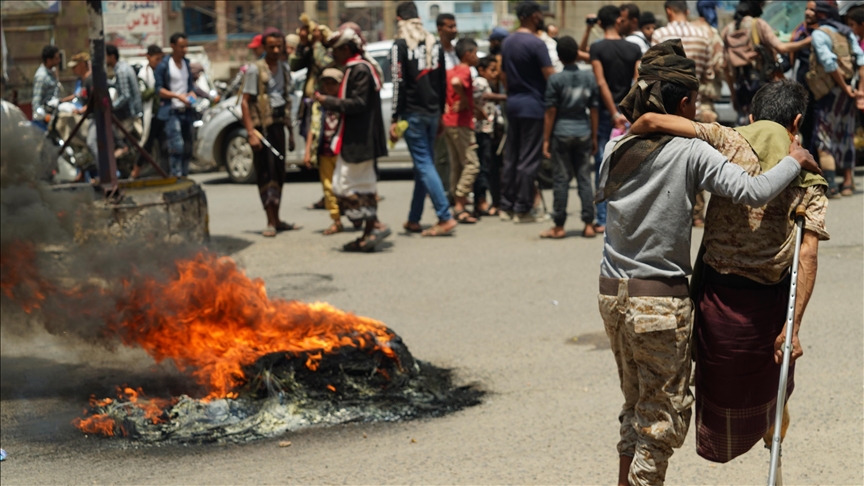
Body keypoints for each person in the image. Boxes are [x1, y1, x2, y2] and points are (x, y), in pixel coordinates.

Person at [596, 40, 820, 486]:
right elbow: (755, 192)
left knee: (634, 405)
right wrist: (794, 161)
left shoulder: (614, 150)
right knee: (661, 419)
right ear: (683, 103)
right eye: (694, 103)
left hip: (611, 294)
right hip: (658, 302)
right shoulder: (691, 152)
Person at [315, 23, 389, 252]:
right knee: (360, 185)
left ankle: (374, 224)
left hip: (360, 140)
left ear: (346, 49)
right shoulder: (355, 69)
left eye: (336, 51)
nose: (334, 56)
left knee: (347, 185)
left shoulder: (359, 70)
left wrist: (328, 101)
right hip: (357, 139)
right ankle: (368, 231)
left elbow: (359, 104)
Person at [652, 0, 721, 227]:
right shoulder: (704, 36)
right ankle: (698, 214)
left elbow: (652, 75)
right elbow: (711, 73)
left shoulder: (660, 34)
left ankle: (674, 211)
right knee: (697, 159)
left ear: (669, 11)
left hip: (668, 111)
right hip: (696, 107)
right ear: (687, 11)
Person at [390, 1, 456, 236]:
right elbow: (441, 82)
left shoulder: (399, 46)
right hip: (431, 113)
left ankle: (445, 216)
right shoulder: (434, 43)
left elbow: (398, 83)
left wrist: (394, 118)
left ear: (399, 20)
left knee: (425, 164)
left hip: (413, 114)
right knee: (423, 165)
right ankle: (414, 218)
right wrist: (440, 114)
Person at [499, 1, 554, 224]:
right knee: (529, 159)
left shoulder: (507, 41)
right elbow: (550, 75)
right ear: (532, 16)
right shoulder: (537, 44)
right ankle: (523, 208)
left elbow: (502, 75)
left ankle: (507, 205)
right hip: (533, 106)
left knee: (512, 156)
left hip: (513, 104)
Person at [540, 36, 599, 240]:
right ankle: (589, 224)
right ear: (577, 54)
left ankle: (559, 226)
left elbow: (551, 111)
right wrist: (593, 136)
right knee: (584, 178)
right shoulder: (589, 78)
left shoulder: (555, 79)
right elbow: (593, 109)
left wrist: (546, 139)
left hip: (561, 133)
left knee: (561, 179)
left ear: (558, 56)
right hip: (583, 131)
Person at [589, 5, 642, 232]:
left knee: (602, 162)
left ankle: (602, 219)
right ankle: (628, 216)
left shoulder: (597, 48)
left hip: (604, 113)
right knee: (630, 162)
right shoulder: (633, 48)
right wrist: (625, 112)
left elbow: (601, 82)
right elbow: (638, 81)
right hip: (629, 114)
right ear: (619, 21)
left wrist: (613, 113)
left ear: (600, 23)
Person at [241, 30, 296, 237]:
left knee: (279, 172)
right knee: (265, 172)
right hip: (261, 129)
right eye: (271, 47)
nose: (275, 50)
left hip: (278, 125)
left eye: (278, 46)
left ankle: (278, 217)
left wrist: (290, 133)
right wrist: (250, 133)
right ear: (264, 47)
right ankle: (270, 221)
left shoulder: (284, 68)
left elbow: (286, 99)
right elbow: (245, 102)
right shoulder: (255, 70)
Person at [722, 0, 811, 125]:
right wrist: (806, 42)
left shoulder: (727, 30)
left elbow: (725, 66)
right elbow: (781, 48)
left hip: (741, 87)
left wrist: (733, 94)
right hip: (761, 86)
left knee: (743, 126)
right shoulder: (757, 24)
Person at [809, 0, 864, 197]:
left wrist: (842, 87)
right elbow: (861, 59)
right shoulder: (846, 32)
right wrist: (856, 89)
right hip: (848, 93)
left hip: (829, 94)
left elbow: (830, 65)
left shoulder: (820, 34)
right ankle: (848, 183)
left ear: (821, 15)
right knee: (846, 134)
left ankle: (831, 185)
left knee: (825, 139)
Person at [443, 38, 481, 224]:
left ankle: (459, 204)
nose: (477, 57)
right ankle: (460, 201)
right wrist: (464, 99)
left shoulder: (450, 70)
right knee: (472, 164)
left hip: (449, 122)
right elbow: (458, 82)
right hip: (461, 123)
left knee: (457, 164)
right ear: (468, 54)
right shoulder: (464, 70)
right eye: (475, 53)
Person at [303, 68, 345, 235]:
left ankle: (355, 214)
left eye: (333, 83)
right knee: (328, 187)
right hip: (325, 151)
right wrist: (307, 152)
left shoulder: (344, 103)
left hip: (342, 152)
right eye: (326, 83)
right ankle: (336, 219)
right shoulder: (318, 106)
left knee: (345, 185)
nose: (329, 87)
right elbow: (312, 129)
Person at [155, 33, 196, 177]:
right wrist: (177, 96)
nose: (184, 50)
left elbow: (190, 85)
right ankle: (176, 176)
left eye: (186, 46)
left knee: (188, 147)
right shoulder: (165, 65)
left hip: (187, 111)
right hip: (172, 111)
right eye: (181, 46)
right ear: (172, 46)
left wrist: (192, 93)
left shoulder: (186, 63)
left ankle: (184, 175)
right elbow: (159, 89)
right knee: (176, 146)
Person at [472, 56, 505, 218]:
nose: (495, 73)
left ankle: (489, 200)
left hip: (488, 130)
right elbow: (481, 98)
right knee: (483, 168)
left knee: (490, 166)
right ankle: (480, 201)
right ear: (482, 70)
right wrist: (507, 97)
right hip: (481, 131)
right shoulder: (480, 82)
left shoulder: (489, 84)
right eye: (492, 70)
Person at [132, 45, 164, 180]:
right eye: (156, 59)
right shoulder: (143, 75)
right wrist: (157, 89)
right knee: (147, 143)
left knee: (164, 143)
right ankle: (136, 170)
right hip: (150, 114)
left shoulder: (161, 71)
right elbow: (144, 94)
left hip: (162, 113)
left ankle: (163, 171)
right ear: (148, 57)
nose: (159, 62)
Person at [105, 44, 143, 150]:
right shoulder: (122, 67)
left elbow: (125, 95)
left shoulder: (121, 70)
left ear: (112, 57)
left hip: (130, 112)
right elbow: (117, 85)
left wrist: (111, 107)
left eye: (105, 56)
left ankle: (122, 148)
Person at [31, 45, 61, 129]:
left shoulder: (52, 73)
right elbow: (36, 104)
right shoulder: (41, 77)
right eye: (56, 58)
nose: (59, 61)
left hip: (53, 118)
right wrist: (46, 117)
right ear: (48, 60)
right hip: (43, 122)